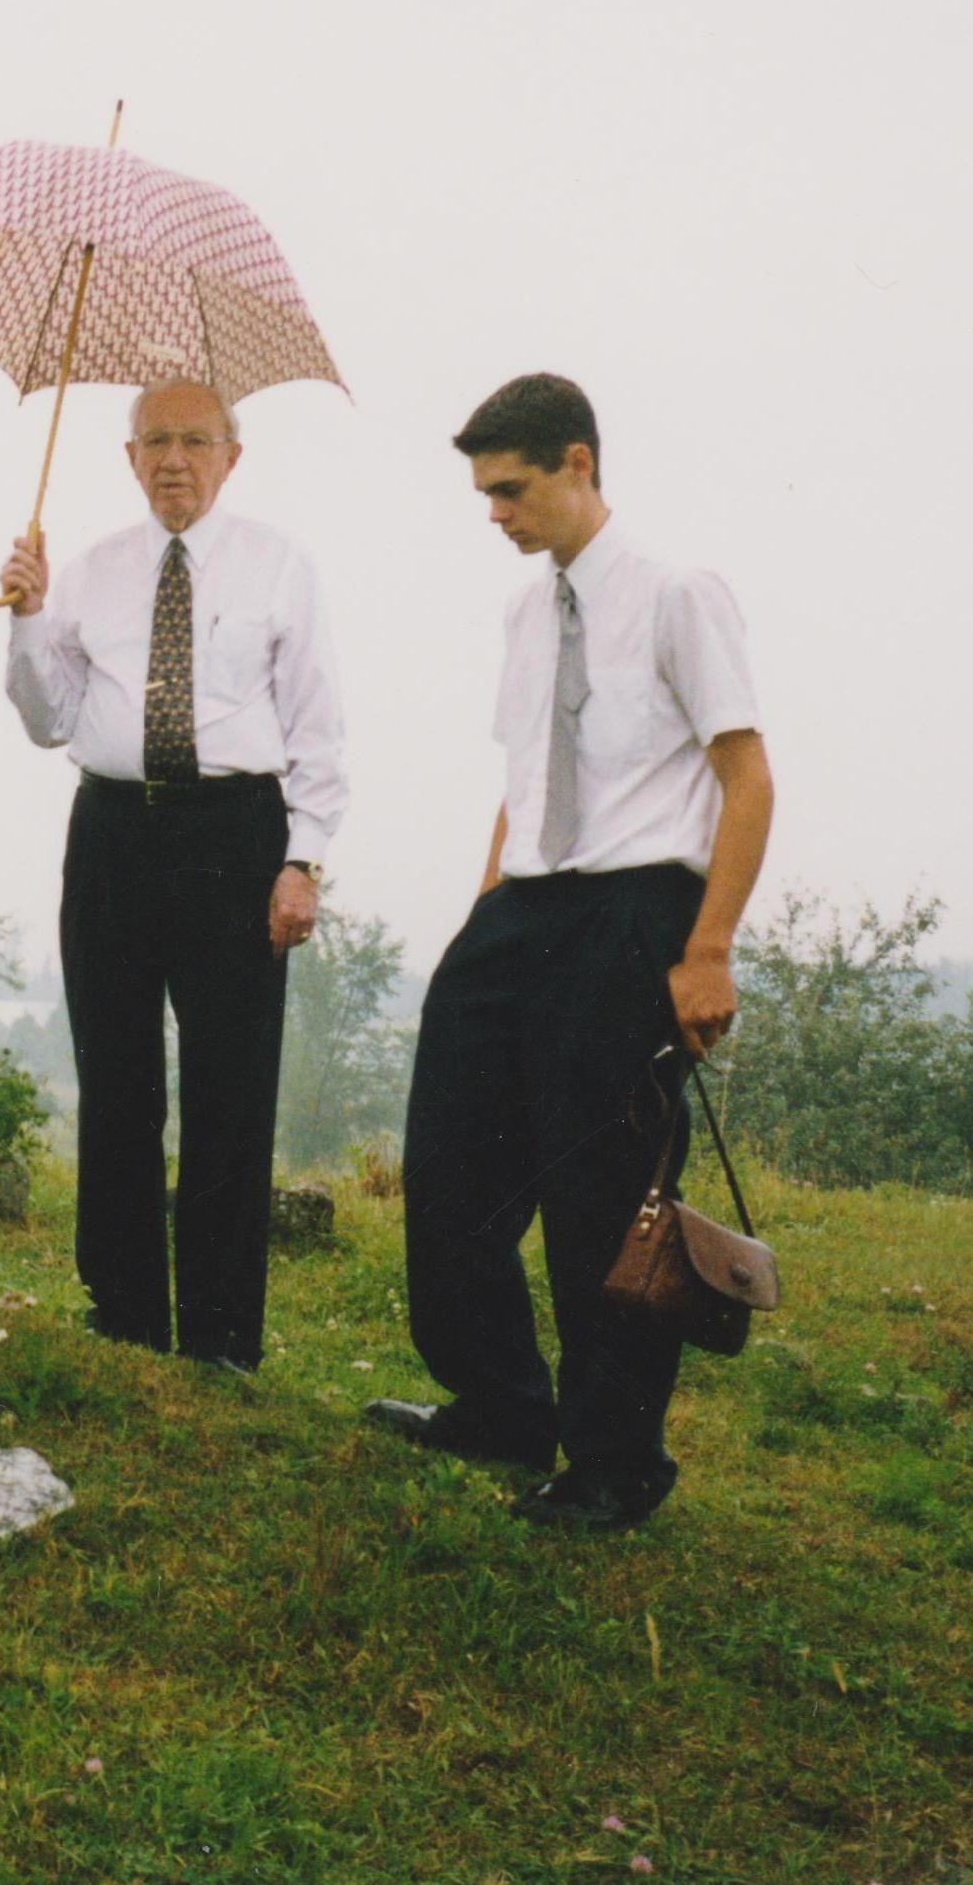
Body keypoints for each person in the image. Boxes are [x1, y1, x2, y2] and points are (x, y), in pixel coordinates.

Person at [365, 372, 772, 1531]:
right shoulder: (524, 610)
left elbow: (747, 778)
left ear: (578, 464)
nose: (494, 512)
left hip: (636, 914)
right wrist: (482, 914)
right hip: (523, 910)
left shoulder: (679, 594)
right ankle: (498, 1406)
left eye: (511, 488)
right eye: (485, 492)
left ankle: (614, 1463)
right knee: (449, 1168)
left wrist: (707, 949)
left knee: (605, 1196)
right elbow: (525, 780)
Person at [0, 378, 346, 1373]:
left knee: (230, 1093)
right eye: (154, 440)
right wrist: (24, 616)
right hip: (111, 832)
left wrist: (301, 860)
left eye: (195, 440)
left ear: (231, 455)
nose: (173, 460)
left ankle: (222, 1336)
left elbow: (317, 727)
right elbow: (46, 718)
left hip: (234, 837)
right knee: (115, 1087)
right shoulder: (94, 572)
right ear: (128, 456)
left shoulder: (279, 567)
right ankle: (124, 1321)